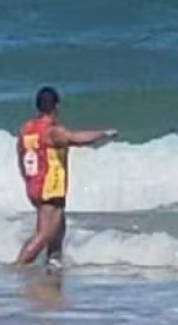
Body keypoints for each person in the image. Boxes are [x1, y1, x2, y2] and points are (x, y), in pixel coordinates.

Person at [14, 86, 116, 269]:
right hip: (49, 186)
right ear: (56, 107)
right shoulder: (52, 131)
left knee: (58, 229)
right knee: (45, 233)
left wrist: (28, 180)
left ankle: (54, 264)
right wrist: (104, 134)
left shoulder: (27, 130)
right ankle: (19, 266)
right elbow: (77, 138)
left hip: (35, 184)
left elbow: (21, 156)